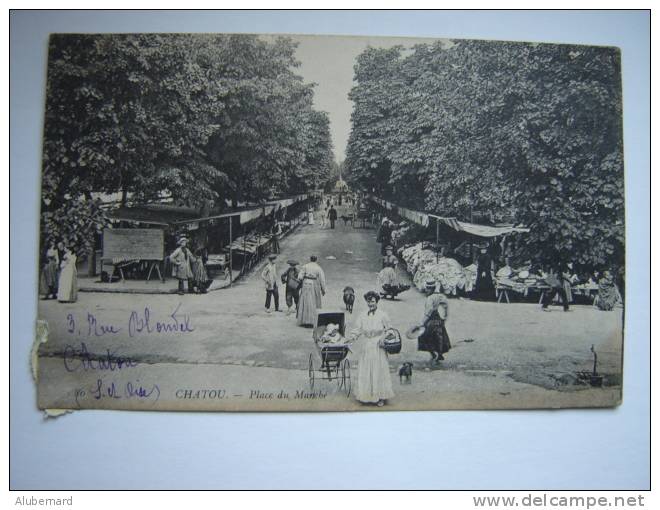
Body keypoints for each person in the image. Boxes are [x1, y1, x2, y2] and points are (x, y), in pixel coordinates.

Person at [347, 290, 395, 407]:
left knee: (378, 370)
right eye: (368, 302)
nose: (370, 304)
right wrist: (351, 338)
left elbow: (390, 330)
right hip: (367, 346)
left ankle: (380, 397)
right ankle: (366, 395)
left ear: (377, 302)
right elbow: (358, 330)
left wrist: (384, 337)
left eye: (373, 302)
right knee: (366, 370)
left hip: (378, 347)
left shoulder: (383, 315)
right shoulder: (362, 315)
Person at [415, 280, 451, 366]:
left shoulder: (430, 299)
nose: (426, 291)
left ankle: (434, 354)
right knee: (439, 337)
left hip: (431, 320)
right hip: (438, 319)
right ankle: (439, 354)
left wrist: (422, 323)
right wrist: (444, 318)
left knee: (425, 337)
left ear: (431, 289)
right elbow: (445, 306)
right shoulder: (440, 296)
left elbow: (428, 312)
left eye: (428, 289)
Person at [297, 255, 326, 326]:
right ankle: (312, 320)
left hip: (305, 284)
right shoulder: (318, 268)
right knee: (313, 301)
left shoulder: (305, 266)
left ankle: (303, 320)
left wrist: (303, 279)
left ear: (310, 259)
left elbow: (300, 277)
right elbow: (322, 280)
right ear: (316, 260)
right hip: (314, 285)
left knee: (305, 301)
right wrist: (323, 289)